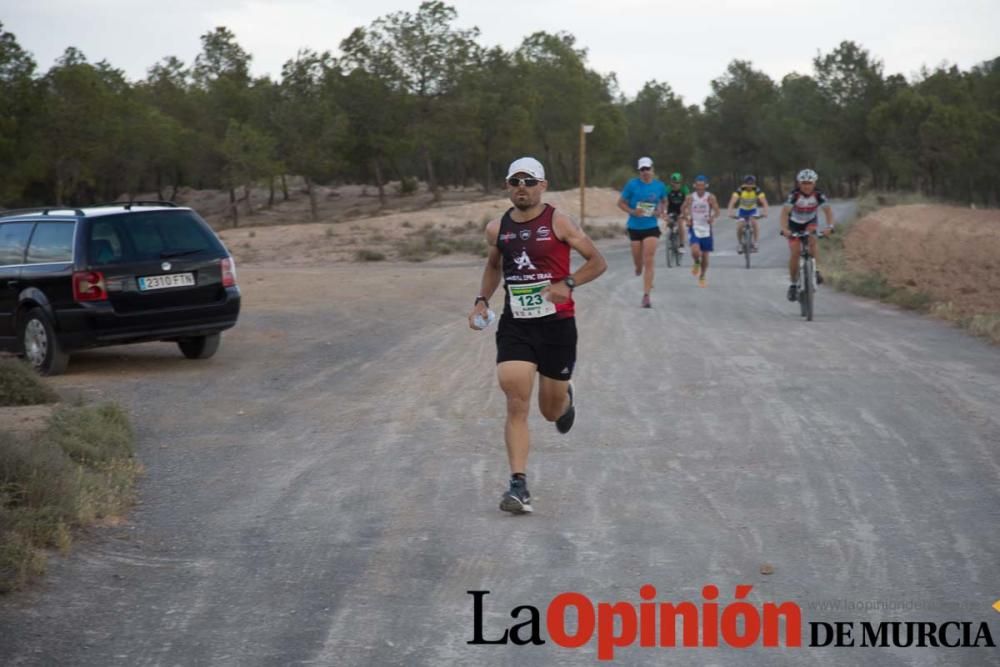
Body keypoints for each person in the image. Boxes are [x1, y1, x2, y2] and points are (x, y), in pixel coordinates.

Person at [469, 157, 607, 514]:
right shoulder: (496, 228)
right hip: (517, 325)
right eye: (515, 181)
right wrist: (482, 300)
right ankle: (518, 484)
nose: (522, 187)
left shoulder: (559, 222)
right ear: (507, 186)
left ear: (542, 185)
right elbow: (493, 266)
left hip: (557, 326)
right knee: (515, 397)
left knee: (549, 411)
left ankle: (565, 398)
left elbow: (597, 261)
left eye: (529, 181)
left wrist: (568, 283)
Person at [618, 157, 668, 308]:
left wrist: (660, 210)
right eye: (642, 170)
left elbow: (664, 201)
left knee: (649, 259)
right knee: (638, 262)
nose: (645, 172)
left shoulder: (659, 186)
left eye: (647, 169)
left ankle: (646, 295)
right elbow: (620, 203)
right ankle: (638, 267)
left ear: (652, 169)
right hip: (634, 227)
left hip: (651, 227)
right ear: (639, 171)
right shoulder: (632, 185)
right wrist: (633, 211)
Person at [779, 169, 835, 302]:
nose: (806, 186)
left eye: (809, 183)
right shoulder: (794, 195)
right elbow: (784, 213)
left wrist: (830, 227)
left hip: (810, 222)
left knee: (812, 239)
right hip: (794, 224)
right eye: (803, 183)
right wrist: (784, 229)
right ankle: (793, 284)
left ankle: (815, 271)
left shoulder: (819, 195)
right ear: (799, 183)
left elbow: (828, 212)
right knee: (795, 252)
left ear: (814, 183)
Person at [681, 174, 720, 288]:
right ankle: (696, 262)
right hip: (694, 226)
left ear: (706, 186)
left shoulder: (710, 197)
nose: (700, 188)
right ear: (695, 186)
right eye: (698, 185)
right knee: (695, 251)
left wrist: (712, 217)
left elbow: (717, 211)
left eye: (702, 185)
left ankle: (702, 276)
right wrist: (687, 219)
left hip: (706, 227)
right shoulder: (690, 197)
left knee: (706, 256)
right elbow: (683, 208)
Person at [727, 174, 769, 253]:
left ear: (754, 184)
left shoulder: (757, 190)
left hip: (753, 210)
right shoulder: (740, 190)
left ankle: (755, 242)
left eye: (751, 184)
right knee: (740, 226)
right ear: (744, 184)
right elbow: (732, 201)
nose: (749, 186)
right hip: (742, 210)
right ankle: (739, 243)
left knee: (754, 222)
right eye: (748, 184)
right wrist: (730, 212)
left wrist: (765, 211)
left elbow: (764, 202)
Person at [665, 172, 689, 254]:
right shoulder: (667, 189)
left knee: (680, 224)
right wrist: (665, 212)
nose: (675, 184)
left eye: (677, 183)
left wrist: (685, 211)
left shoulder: (684, 189)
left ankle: (681, 245)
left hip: (681, 208)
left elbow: (687, 200)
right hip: (671, 208)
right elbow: (665, 201)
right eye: (673, 182)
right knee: (669, 222)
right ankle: (671, 237)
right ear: (671, 182)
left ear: (680, 182)